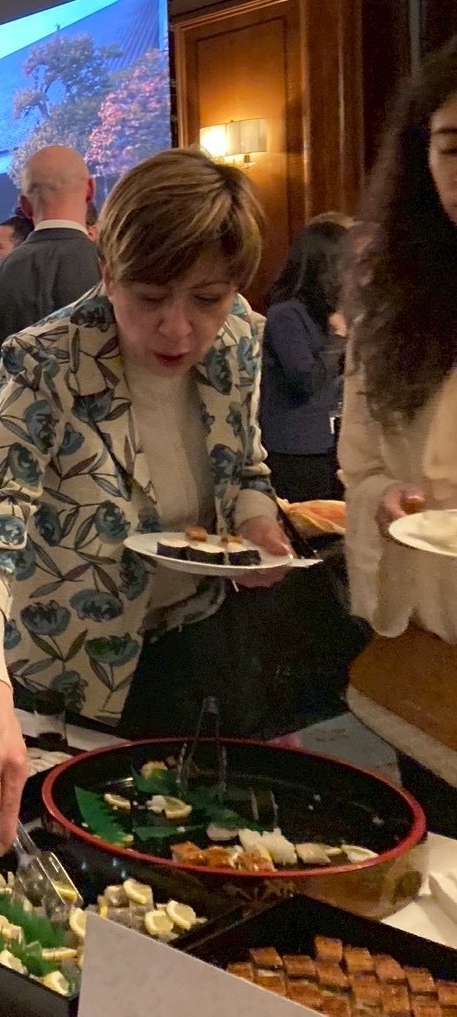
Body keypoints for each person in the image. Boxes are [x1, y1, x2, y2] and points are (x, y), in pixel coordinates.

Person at [0, 149, 292, 852]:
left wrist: (255, 522)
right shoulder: (48, 358)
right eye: (149, 298)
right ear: (107, 270)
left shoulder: (240, 336)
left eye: (207, 298)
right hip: (67, 666)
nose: (178, 329)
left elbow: (243, 463)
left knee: (200, 850)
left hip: (195, 647)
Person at [338, 37, 457, 837]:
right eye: (452, 147)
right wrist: (385, 497)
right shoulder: (392, 296)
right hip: (429, 644)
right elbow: (361, 458)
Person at [0, 146, 102, 436]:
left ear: (25, 206)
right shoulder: (118, 270)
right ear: (90, 190)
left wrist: (1, 439)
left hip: (16, 440)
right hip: (107, 446)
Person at [258, 220, 349, 501]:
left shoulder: (330, 312)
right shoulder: (286, 314)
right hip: (296, 449)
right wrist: (338, 337)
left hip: (333, 444)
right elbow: (305, 381)